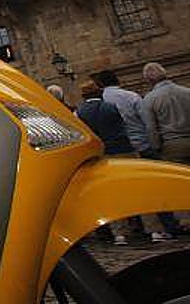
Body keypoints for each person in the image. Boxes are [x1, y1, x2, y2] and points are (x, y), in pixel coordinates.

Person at [94, 69, 181, 240]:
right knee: (152, 189)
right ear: (117, 80)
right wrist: (153, 145)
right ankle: (165, 225)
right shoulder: (131, 96)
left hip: (116, 152)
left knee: (124, 191)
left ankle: (135, 227)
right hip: (142, 146)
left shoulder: (101, 103)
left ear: (100, 85)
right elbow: (148, 123)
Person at [76, 79, 135, 245]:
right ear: (99, 92)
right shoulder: (110, 107)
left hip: (101, 156)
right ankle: (155, 230)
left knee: (110, 195)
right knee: (136, 189)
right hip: (123, 151)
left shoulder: (79, 113)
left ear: (83, 96)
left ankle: (120, 234)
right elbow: (124, 125)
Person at [142, 62, 190, 166]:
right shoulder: (187, 91)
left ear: (148, 80)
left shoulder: (149, 99)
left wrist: (156, 148)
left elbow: (151, 128)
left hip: (172, 146)